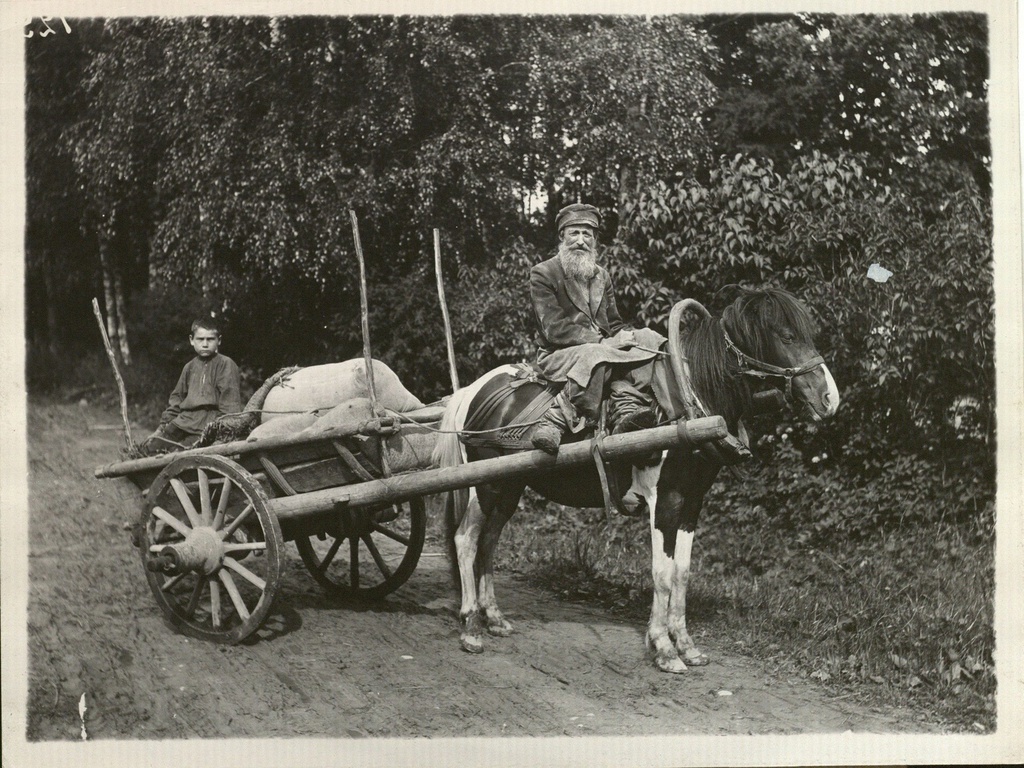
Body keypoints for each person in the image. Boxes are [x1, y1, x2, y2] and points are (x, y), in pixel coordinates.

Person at [528, 203, 665, 454]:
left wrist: (624, 335)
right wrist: (602, 343)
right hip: (559, 355)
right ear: (562, 237)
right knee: (594, 354)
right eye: (574, 233)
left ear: (594, 241)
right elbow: (554, 329)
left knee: (649, 338)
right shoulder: (543, 273)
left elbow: (613, 323)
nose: (581, 241)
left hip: (602, 350)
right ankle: (558, 417)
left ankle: (626, 403)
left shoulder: (601, 275)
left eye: (587, 234)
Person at [140, 318, 242, 456]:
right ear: (191, 340)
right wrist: (162, 427)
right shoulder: (189, 367)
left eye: (210, 339)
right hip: (182, 422)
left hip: (207, 426)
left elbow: (230, 406)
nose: (205, 344)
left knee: (178, 455)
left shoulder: (225, 364)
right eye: (200, 339)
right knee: (150, 450)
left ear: (219, 340)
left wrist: (220, 433)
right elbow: (177, 399)